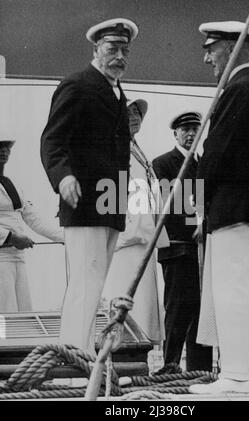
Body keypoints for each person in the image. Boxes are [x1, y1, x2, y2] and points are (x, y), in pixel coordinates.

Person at [189, 21, 249, 394]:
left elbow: (216, 156)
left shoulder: (237, 90)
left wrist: (199, 199)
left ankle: (238, 375)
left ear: (236, 47)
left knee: (233, 293)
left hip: (233, 209)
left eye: (212, 48)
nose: (208, 56)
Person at [40, 18, 139, 357]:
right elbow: (53, 139)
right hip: (84, 202)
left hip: (110, 203)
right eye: (112, 48)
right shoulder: (78, 85)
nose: (119, 56)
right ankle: (72, 363)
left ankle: (81, 359)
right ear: (96, 49)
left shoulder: (116, 91)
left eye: (125, 50)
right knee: (84, 284)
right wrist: (63, 176)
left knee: (95, 285)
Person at [103, 98, 169, 344]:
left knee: (143, 307)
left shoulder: (136, 150)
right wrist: (127, 231)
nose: (134, 116)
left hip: (143, 239)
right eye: (128, 111)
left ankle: (137, 359)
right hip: (126, 240)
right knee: (125, 302)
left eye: (138, 112)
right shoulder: (113, 148)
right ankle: (120, 361)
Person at [152, 111, 213, 374]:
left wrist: (206, 222)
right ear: (175, 133)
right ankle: (170, 364)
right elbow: (168, 205)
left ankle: (200, 367)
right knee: (177, 308)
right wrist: (196, 223)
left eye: (195, 129)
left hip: (204, 250)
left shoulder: (206, 164)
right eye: (185, 129)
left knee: (203, 309)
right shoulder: (163, 163)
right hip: (178, 247)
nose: (190, 134)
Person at [0, 138, 64, 312]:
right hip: (1, 258)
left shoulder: (12, 184)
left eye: (6, 147)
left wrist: (66, 238)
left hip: (17, 258)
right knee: (5, 316)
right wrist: (11, 237)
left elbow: (35, 220)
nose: (3, 151)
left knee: (23, 313)